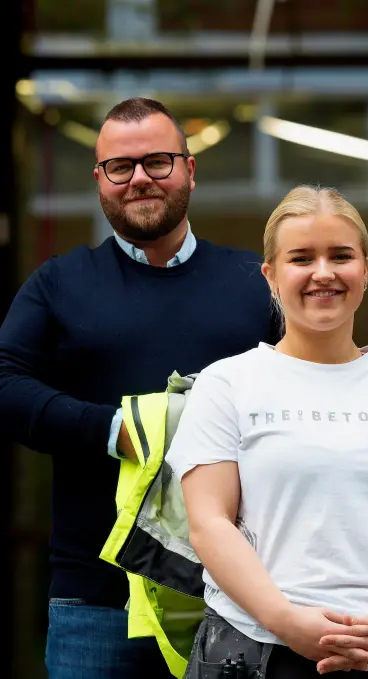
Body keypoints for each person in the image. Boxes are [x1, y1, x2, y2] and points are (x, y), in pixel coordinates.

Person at [0, 97, 280, 679]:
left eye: (157, 162)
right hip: (97, 602)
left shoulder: (257, 285)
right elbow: (6, 385)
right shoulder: (58, 284)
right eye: (120, 167)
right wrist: (115, 431)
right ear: (100, 180)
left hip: (238, 595)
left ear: (190, 169)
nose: (139, 180)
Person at [165, 185, 368, 678]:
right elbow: (209, 524)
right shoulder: (227, 383)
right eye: (301, 258)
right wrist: (286, 621)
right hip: (256, 650)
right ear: (271, 275)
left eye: (340, 256)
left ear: (365, 269)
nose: (323, 273)